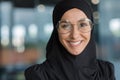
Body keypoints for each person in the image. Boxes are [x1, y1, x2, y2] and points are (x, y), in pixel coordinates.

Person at [24, 0, 116, 80]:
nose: (74, 35)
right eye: (65, 26)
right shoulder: (38, 75)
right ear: (56, 30)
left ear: (91, 28)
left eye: (83, 25)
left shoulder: (106, 71)